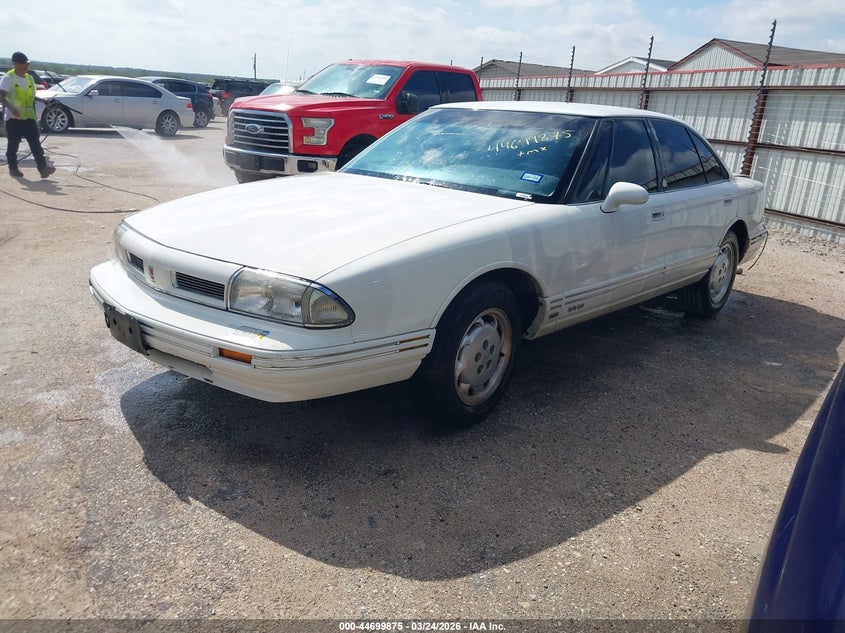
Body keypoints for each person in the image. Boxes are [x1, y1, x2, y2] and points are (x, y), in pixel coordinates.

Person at [1, 51, 55, 178]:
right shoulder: (9, 78)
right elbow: (1, 96)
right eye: (23, 64)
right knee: (13, 145)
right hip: (13, 118)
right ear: (15, 64)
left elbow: (30, 96)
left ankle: (43, 169)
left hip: (29, 117)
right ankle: (13, 169)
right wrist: (11, 108)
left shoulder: (29, 78)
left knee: (35, 144)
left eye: (27, 63)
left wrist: (43, 101)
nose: (26, 66)